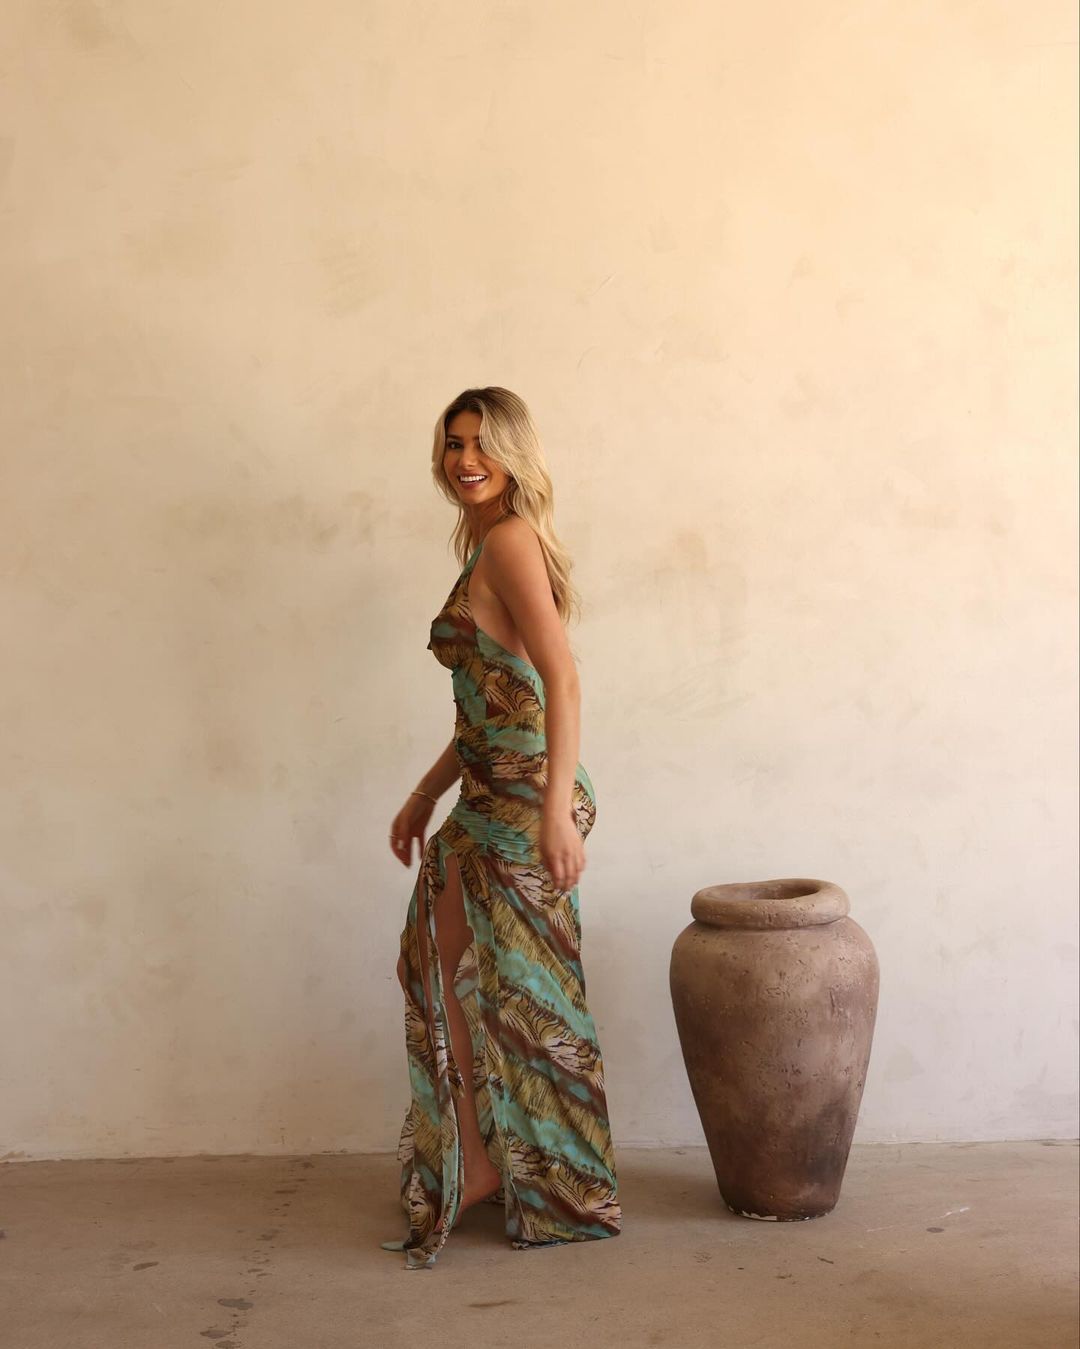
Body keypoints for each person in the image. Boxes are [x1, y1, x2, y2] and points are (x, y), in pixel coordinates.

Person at [381, 386, 622, 1269]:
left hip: (527, 796)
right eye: (453, 443)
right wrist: (424, 794)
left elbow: (562, 678)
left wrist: (556, 810)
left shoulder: (512, 540)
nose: (465, 458)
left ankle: (553, 1184)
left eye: (481, 443)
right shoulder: (485, 542)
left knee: (529, 997)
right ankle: (484, 1161)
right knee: (433, 964)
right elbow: (494, 702)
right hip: (487, 790)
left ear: (513, 452)